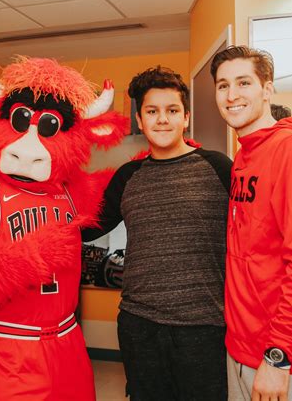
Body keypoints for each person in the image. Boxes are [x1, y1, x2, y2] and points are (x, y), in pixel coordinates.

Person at [82, 66, 232, 400]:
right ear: (140, 119)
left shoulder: (218, 167)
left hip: (204, 327)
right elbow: (89, 229)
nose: (162, 119)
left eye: (172, 110)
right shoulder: (128, 176)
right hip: (140, 326)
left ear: (186, 117)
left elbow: (255, 232)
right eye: (152, 111)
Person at [211, 45, 292, 400]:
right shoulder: (244, 156)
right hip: (242, 350)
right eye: (222, 86)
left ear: (267, 89)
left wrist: (277, 356)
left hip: (286, 361)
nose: (232, 95)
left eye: (244, 83)